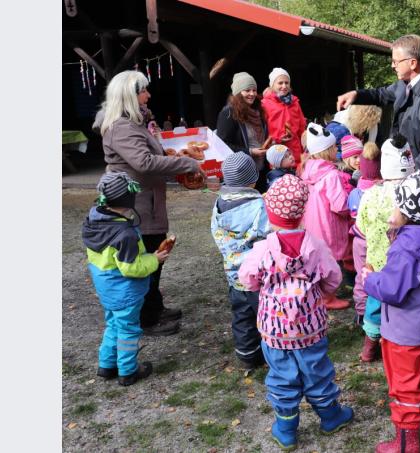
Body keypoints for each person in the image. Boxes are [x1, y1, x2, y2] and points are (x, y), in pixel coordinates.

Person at [238, 174, 354, 450]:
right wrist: (325, 293)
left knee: (282, 377)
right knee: (317, 371)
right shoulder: (315, 246)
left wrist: (262, 286)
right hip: (310, 326)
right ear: (303, 211)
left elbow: (247, 278)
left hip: (274, 329)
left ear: (270, 212)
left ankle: (287, 428)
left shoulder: (262, 249)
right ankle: (330, 416)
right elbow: (333, 278)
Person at [99, 70, 201, 336]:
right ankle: (146, 318)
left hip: (147, 203)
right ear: (130, 96)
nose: (148, 95)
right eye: (144, 90)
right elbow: (143, 162)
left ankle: (154, 307)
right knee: (146, 260)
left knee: (155, 256)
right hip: (136, 207)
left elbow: (149, 157)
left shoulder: (133, 123)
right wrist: (187, 162)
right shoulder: (121, 127)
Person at [363, 171, 420, 453]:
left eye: (397, 204)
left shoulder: (405, 249)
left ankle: (406, 441)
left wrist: (368, 279)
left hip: (403, 334)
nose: (393, 209)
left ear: (408, 211)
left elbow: (392, 290)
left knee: (404, 385)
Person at [82, 172, 167, 386]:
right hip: (125, 291)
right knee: (128, 330)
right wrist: (154, 259)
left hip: (106, 287)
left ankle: (106, 364)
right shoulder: (124, 234)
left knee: (113, 324)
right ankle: (128, 371)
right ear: (128, 199)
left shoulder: (94, 220)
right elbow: (131, 268)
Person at [336, 34, 420, 171]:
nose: (393, 66)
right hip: (403, 166)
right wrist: (356, 95)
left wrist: (409, 169)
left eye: (396, 61)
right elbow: (381, 94)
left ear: (412, 63)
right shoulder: (405, 83)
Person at [355, 134, 417, 362]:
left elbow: (360, 226)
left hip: (377, 262)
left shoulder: (371, 195)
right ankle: (399, 342)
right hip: (406, 263)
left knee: (375, 303)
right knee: (405, 301)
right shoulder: (415, 195)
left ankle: (370, 346)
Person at [210, 153, 270, 370]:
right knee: (265, 313)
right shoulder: (259, 205)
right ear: (253, 180)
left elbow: (216, 232)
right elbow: (267, 234)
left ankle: (247, 355)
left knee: (241, 315)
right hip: (258, 276)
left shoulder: (219, 204)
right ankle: (274, 349)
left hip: (234, 274)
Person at [299, 123, 351, 310]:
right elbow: (340, 205)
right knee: (330, 264)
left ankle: (316, 293)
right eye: (334, 147)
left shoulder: (306, 170)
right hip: (329, 225)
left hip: (311, 225)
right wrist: (352, 204)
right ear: (326, 150)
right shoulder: (331, 175)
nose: (336, 150)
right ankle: (328, 297)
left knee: (316, 261)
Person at [216, 72, 271, 193]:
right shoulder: (229, 113)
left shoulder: (258, 111)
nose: (252, 94)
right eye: (247, 90)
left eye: (254, 90)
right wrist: (250, 152)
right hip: (242, 175)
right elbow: (222, 145)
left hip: (261, 170)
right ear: (238, 92)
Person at [347, 142, 382, 327]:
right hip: (380, 240)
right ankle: (379, 313)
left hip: (360, 241)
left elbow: (351, 215)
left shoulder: (355, 194)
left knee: (361, 277)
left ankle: (361, 313)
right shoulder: (384, 192)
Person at [262, 67, 307, 167]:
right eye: (280, 83)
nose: (284, 86)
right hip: (277, 154)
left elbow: (301, 127)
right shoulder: (265, 104)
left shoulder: (295, 102)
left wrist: (305, 149)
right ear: (272, 85)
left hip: (295, 153)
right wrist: (276, 139)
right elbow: (262, 130)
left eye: (287, 83)